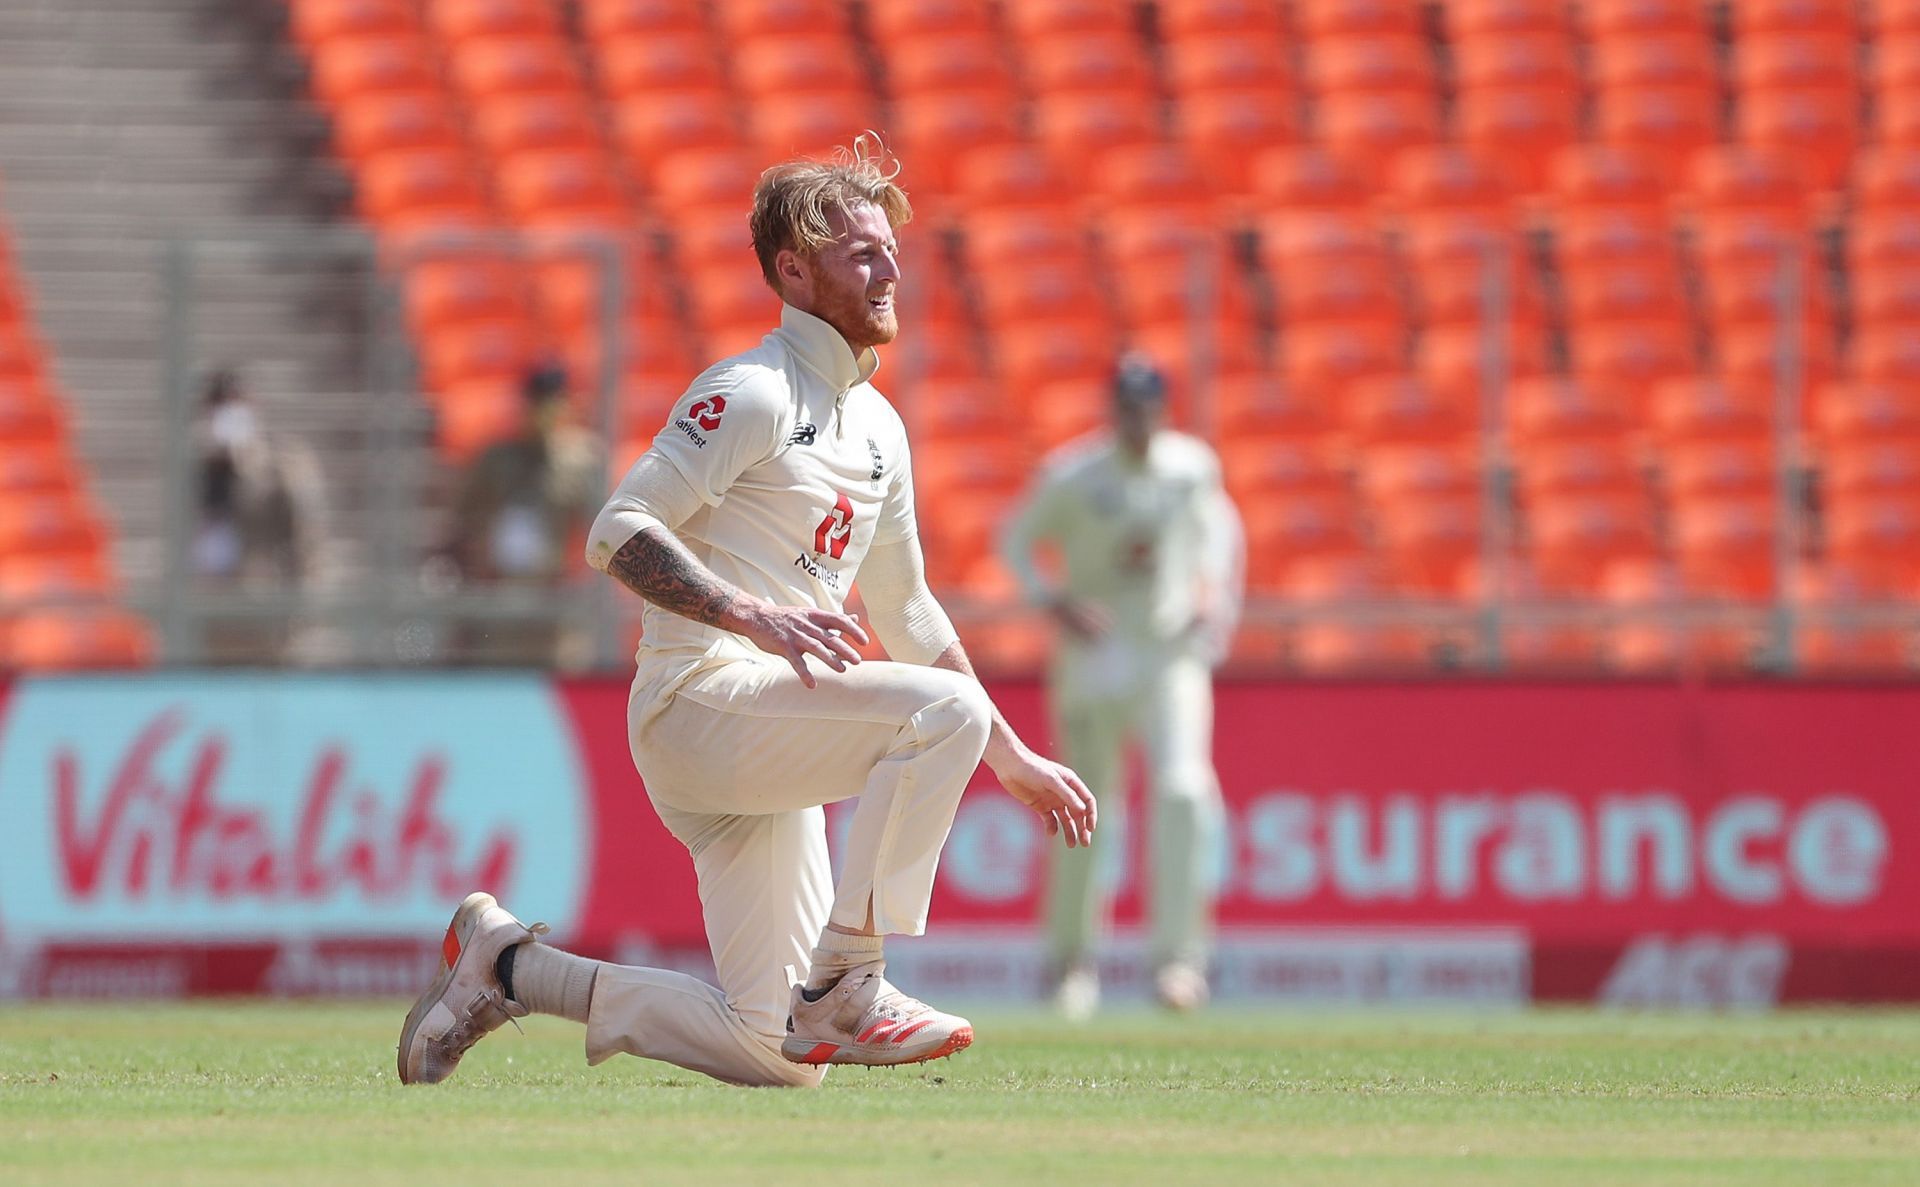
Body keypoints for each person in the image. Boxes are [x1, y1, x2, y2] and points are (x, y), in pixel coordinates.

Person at [398, 139, 1097, 1088]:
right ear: (794, 270)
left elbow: (910, 608)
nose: (891, 268)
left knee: (779, 1051)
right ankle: (850, 978)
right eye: (863, 253)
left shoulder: (880, 425)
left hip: (768, 730)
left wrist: (1012, 760)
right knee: (946, 712)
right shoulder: (752, 390)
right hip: (699, 700)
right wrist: (748, 613)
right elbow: (618, 527)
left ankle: (509, 966)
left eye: (891, 249)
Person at [1000, 355, 1242, 1018]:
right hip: (1095, 659)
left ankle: (1178, 962)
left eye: (1148, 408)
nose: (1138, 422)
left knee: (1185, 791)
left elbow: (1221, 531)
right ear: (1113, 410)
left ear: (1163, 409)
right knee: (1084, 809)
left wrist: (1212, 594)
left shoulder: (1191, 467)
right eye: (1127, 409)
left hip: (1168, 655)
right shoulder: (1075, 474)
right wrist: (1057, 603)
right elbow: (1016, 542)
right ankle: (1070, 964)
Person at [445, 360, 604, 665]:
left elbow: (600, 528)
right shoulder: (496, 458)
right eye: (538, 402)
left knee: (559, 678)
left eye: (551, 401)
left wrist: (577, 576)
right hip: (500, 595)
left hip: (553, 598)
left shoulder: (581, 459)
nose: (543, 411)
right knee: (501, 680)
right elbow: (462, 520)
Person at [191, 368, 325, 661]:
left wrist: (298, 615)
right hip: (210, 615)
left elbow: (306, 543)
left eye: (234, 403)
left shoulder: (279, 464)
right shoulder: (196, 467)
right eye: (217, 405)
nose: (225, 414)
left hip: (262, 614)